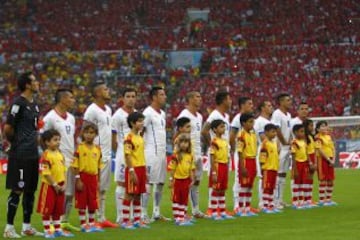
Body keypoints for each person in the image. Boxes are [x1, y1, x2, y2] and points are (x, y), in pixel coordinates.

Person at [3, 72, 43, 238]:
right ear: (27, 85)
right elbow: (7, 128)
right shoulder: (17, 104)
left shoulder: (35, 105)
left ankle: (26, 226)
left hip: (33, 154)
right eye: (34, 81)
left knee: (30, 190)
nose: (37, 83)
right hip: (20, 154)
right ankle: (9, 228)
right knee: (17, 190)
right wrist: (15, 143)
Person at [41, 88, 78, 231]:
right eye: (71, 97)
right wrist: (49, 155)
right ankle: (51, 223)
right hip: (56, 161)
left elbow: (71, 138)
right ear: (62, 99)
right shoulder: (49, 117)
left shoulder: (71, 117)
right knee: (55, 192)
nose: (73, 100)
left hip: (70, 159)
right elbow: (42, 138)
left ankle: (63, 222)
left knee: (69, 193)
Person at [83, 81, 117, 228]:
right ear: (97, 93)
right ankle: (88, 219)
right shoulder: (91, 110)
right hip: (95, 155)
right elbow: (84, 131)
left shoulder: (108, 109)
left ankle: (101, 218)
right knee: (92, 187)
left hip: (107, 153)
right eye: (105, 89)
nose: (108, 91)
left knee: (103, 188)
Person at [37, 129, 74, 238]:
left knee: (58, 210)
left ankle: (58, 229)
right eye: (55, 140)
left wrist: (64, 184)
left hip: (61, 186)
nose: (58, 142)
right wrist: (55, 185)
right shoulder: (46, 155)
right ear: (47, 142)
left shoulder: (60, 154)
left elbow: (63, 171)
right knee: (47, 210)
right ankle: (47, 230)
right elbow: (46, 173)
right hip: (49, 186)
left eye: (59, 140)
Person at [201, 90, 232, 215]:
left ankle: (220, 209)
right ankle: (211, 208)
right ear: (223, 100)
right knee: (214, 179)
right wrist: (213, 145)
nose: (230, 101)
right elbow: (204, 131)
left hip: (225, 151)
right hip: (217, 153)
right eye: (229, 99)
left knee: (223, 181)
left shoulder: (226, 116)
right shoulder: (214, 115)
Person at [141, 86, 169, 222]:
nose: (165, 97)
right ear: (154, 97)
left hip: (162, 152)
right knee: (148, 183)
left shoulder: (162, 113)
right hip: (151, 152)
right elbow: (140, 130)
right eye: (162, 94)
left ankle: (156, 212)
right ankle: (143, 213)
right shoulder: (147, 113)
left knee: (160, 182)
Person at [176, 91, 205, 218]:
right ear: (190, 99)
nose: (200, 99)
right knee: (186, 182)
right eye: (197, 97)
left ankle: (196, 210)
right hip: (187, 155)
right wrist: (179, 153)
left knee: (197, 181)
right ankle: (183, 211)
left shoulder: (199, 116)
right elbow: (178, 134)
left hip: (197, 153)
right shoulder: (184, 115)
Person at [72, 122, 104, 233]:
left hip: (93, 178)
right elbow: (75, 165)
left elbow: (99, 166)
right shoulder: (79, 148)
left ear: (95, 134)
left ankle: (91, 223)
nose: (89, 135)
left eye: (91, 133)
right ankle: (83, 224)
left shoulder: (98, 149)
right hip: (83, 177)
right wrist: (78, 179)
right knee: (82, 202)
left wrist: (98, 180)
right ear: (83, 134)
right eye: (86, 132)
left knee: (92, 202)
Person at [111, 87, 137, 224]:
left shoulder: (138, 114)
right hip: (122, 152)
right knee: (121, 183)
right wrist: (119, 153)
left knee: (133, 184)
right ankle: (120, 215)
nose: (131, 99)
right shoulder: (117, 115)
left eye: (133, 96)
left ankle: (131, 215)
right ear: (123, 98)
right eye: (128, 96)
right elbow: (113, 137)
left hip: (136, 154)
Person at [121, 112, 150, 229]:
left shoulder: (140, 137)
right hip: (133, 169)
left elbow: (141, 154)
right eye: (139, 121)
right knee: (129, 194)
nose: (142, 123)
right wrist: (132, 171)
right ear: (132, 123)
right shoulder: (129, 138)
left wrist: (145, 171)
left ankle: (137, 220)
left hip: (141, 168)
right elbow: (127, 155)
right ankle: (125, 221)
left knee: (138, 195)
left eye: (142, 121)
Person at [229, 97, 254, 213]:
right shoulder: (237, 119)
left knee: (249, 180)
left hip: (248, 153)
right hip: (240, 152)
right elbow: (232, 136)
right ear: (242, 105)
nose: (252, 106)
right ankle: (236, 205)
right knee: (239, 179)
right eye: (249, 104)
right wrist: (235, 151)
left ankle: (246, 205)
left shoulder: (250, 120)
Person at [208, 120, 234, 220]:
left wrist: (227, 167)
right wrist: (214, 172)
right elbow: (212, 157)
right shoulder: (214, 142)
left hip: (224, 166)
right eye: (221, 127)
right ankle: (214, 213)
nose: (223, 129)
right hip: (217, 166)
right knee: (216, 189)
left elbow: (227, 156)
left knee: (222, 190)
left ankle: (222, 212)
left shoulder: (224, 141)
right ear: (215, 129)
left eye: (224, 127)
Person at [169, 133, 195, 226]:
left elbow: (191, 168)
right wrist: (171, 179)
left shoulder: (190, 156)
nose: (184, 144)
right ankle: (178, 218)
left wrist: (192, 179)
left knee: (184, 199)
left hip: (186, 180)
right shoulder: (175, 156)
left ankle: (182, 216)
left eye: (186, 142)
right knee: (177, 199)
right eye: (182, 142)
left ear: (189, 144)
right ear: (179, 144)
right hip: (177, 180)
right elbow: (172, 169)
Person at [271, 93, 292, 209]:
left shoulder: (288, 114)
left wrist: (289, 142)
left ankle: (280, 199)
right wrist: (283, 142)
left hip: (286, 147)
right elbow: (276, 129)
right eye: (288, 100)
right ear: (281, 102)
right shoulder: (277, 114)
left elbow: (288, 130)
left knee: (283, 173)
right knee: (277, 173)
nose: (290, 102)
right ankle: (274, 200)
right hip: (280, 147)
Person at [253, 100, 274, 209]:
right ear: (262, 108)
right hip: (264, 151)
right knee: (263, 177)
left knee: (271, 177)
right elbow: (263, 138)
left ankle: (269, 201)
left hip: (271, 152)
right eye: (269, 105)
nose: (271, 107)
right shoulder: (259, 122)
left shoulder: (268, 121)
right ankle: (262, 203)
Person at [236, 113, 258, 217]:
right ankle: (241, 209)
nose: (252, 124)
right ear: (243, 123)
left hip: (253, 160)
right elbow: (240, 151)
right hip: (245, 161)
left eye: (253, 121)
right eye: (250, 122)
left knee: (249, 186)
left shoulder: (253, 134)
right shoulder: (241, 135)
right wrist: (242, 166)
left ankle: (248, 208)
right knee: (244, 186)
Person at [315, 121, 337, 206]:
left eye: (325, 126)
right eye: (322, 126)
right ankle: (321, 200)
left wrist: (333, 160)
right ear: (318, 129)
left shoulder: (328, 137)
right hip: (322, 160)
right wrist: (328, 160)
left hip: (330, 159)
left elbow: (333, 148)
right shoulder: (317, 137)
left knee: (331, 179)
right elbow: (320, 150)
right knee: (323, 179)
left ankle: (328, 199)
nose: (325, 128)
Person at [259, 124, 280, 213]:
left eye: (275, 132)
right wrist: (262, 170)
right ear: (266, 132)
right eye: (272, 132)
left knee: (272, 188)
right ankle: (265, 205)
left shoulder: (274, 143)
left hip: (274, 169)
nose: (274, 134)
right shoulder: (265, 143)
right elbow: (262, 158)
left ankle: (271, 204)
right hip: (267, 169)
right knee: (267, 188)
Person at [290, 124, 310, 209]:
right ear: (295, 132)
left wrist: (309, 163)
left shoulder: (304, 142)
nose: (303, 133)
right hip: (297, 164)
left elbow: (306, 153)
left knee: (302, 183)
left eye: (303, 131)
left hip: (304, 164)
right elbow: (293, 156)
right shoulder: (294, 143)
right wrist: (295, 169)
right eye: (301, 131)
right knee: (296, 183)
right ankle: (295, 202)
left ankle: (301, 202)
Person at [303, 119, 318, 207]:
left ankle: (309, 199)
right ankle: (305, 200)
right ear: (306, 126)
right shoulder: (305, 137)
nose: (312, 127)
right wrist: (310, 162)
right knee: (307, 179)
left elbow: (314, 149)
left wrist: (315, 161)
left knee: (311, 179)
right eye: (310, 125)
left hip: (313, 157)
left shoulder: (311, 136)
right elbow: (305, 150)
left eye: (313, 125)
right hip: (308, 158)